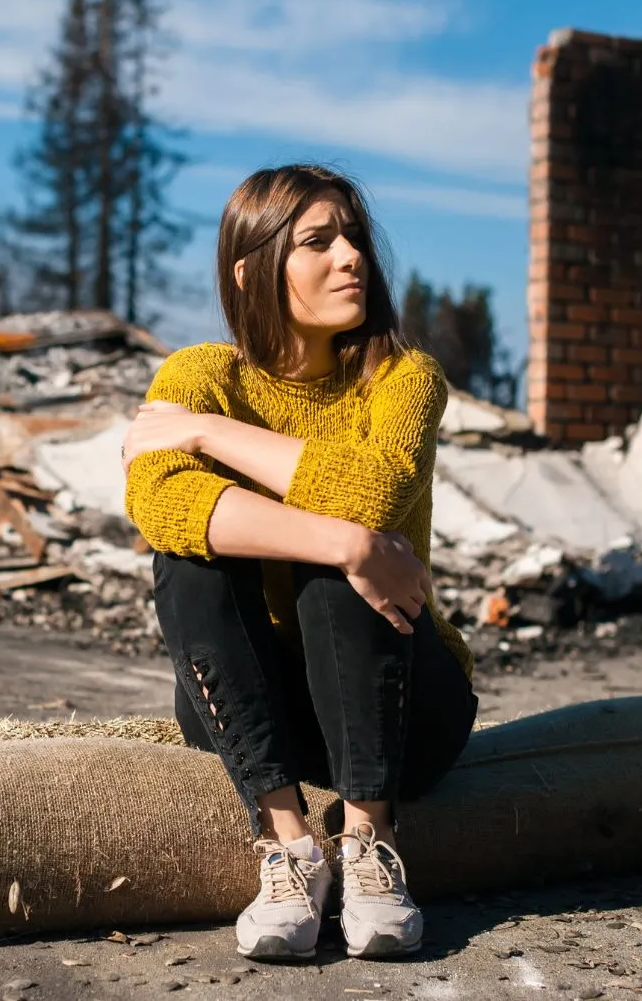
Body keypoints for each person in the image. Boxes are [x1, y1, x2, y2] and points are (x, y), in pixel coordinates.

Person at [120, 164, 479, 961]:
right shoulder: (199, 374)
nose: (351, 256)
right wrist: (346, 543)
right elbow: (159, 500)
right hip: (265, 709)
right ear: (251, 269)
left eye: (354, 238)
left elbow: (376, 489)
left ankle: (372, 841)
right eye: (318, 241)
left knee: (343, 563)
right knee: (195, 555)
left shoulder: (404, 378)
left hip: (402, 705)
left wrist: (208, 434)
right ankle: (288, 846)